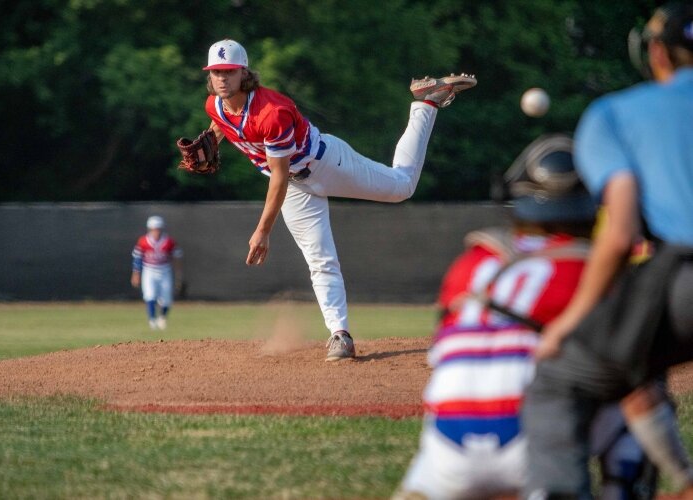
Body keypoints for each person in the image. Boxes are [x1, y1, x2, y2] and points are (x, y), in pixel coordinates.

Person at [393, 135, 656, 500]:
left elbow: (441, 348)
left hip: (449, 447)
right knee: (635, 388)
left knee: (450, 394)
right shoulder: (594, 270)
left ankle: (420, 487)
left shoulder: (472, 262)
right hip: (535, 445)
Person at [200, 39, 476, 361]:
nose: (221, 78)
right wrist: (212, 140)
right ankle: (340, 335)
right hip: (296, 187)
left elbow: (278, 175)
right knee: (320, 260)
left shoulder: (271, 113)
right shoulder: (214, 106)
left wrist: (263, 230)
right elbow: (222, 121)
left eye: (229, 72)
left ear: (243, 73)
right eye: (216, 71)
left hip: (326, 164)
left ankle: (425, 104)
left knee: (402, 187)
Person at [522, 4, 693, 498]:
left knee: (560, 381)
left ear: (656, 52)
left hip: (682, 278)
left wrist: (570, 320)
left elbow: (620, 235)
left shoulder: (616, 113)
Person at [131, 216, 183, 330]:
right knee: (150, 295)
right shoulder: (143, 241)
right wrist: (136, 274)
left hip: (165, 270)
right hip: (149, 270)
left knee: (166, 298)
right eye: (153, 229)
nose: (156, 231)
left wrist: (178, 274)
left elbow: (177, 257)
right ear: (149, 229)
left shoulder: (169, 241)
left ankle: (162, 317)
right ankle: (152, 319)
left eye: (158, 228)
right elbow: (137, 258)